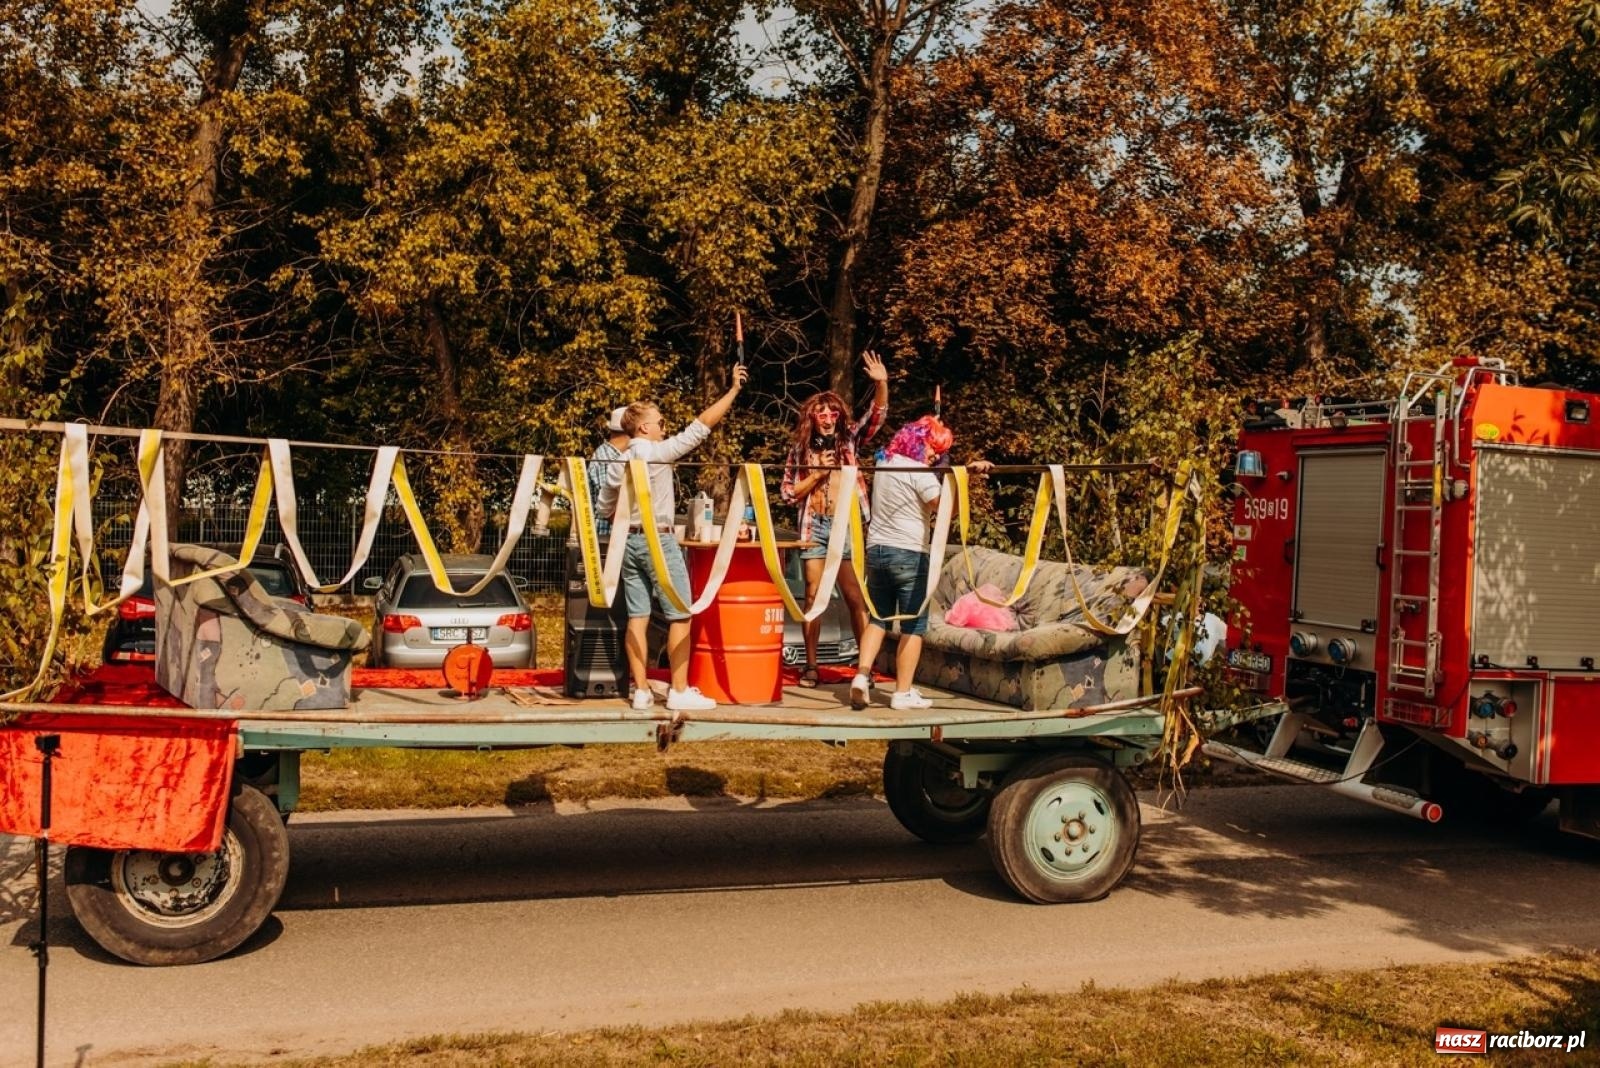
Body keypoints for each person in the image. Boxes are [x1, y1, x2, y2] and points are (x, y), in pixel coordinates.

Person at [597, 365, 748, 712]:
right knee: (681, 614)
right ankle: (679, 690)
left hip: (628, 543)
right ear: (645, 428)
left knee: (638, 615)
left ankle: (641, 691)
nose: (665, 429)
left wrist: (629, 516)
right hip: (658, 540)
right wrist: (733, 391)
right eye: (662, 423)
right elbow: (701, 428)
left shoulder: (617, 461)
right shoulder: (654, 451)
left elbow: (605, 507)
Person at [849, 415, 990, 710]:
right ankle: (902, 693)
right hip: (909, 553)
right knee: (914, 625)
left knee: (878, 618)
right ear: (917, 442)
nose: (933, 455)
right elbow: (944, 509)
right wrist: (964, 480)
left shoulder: (885, 463)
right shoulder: (919, 471)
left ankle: (861, 677)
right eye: (931, 447)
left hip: (876, 552)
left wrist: (946, 470)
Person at [779, 351, 889, 687]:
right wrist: (815, 476)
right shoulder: (800, 450)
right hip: (815, 525)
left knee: (854, 595)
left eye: (832, 413)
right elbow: (787, 492)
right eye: (820, 414)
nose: (827, 418)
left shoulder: (849, 440)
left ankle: (862, 668)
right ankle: (810, 666)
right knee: (813, 595)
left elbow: (876, 417)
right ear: (811, 418)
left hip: (845, 525)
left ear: (839, 417)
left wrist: (881, 383)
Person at [587, 406, 631, 536]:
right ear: (630, 433)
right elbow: (609, 508)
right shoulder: (608, 461)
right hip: (608, 536)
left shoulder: (610, 455)